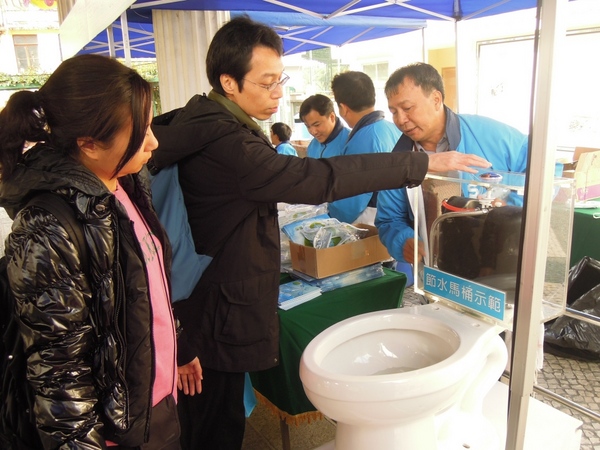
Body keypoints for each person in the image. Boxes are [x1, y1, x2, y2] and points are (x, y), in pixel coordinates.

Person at [149, 16, 490, 450]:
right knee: (215, 425)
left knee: (214, 416)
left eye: (281, 79)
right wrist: (421, 163)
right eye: (267, 83)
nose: (278, 93)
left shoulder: (208, 120)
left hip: (206, 301)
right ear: (229, 83)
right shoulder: (226, 140)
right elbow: (314, 177)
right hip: (212, 313)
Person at [0, 54, 181, 449]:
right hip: (113, 434)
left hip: (155, 405)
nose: (154, 142)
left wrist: (178, 349)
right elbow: (58, 369)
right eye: (141, 132)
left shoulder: (125, 185)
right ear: (89, 144)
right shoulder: (48, 227)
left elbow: (143, 294)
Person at [376, 62, 529, 268]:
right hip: (437, 270)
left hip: (499, 262)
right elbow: (389, 220)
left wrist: (512, 208)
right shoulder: (400, 160)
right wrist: (403, 241)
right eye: (394, 112)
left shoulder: (488, 134)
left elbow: (545, 167)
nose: (401, 120)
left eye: (407, 108)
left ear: (436, 99)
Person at [328, 71, 402, 226]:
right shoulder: (394, 128)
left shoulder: (363, 139)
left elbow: (351, 199)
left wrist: (330, 214)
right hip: (399, 215)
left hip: (373, 218)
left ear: (343, 108)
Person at [299, 93, 350, 158]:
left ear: (332, 117)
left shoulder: (350, 142)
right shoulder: (312, 146)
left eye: (317, 125)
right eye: (308, 126)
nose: (313, 132)